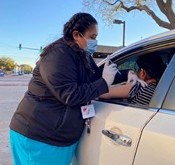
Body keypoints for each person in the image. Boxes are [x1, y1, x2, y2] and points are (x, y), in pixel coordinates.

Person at [9, 12, 122, 165]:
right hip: (40, 136)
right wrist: (105, 82)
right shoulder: (57, 55)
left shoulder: (82, 55)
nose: (95, 41)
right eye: (92, 37)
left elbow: (96, 77)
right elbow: (70, 95)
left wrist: (130, 75)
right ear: (77, 34)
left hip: (59, 137)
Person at [100, 52, 167, 105]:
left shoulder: (139, 87)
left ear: (142, 72)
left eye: (137, 70)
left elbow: (101, 93)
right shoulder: (161, 88)